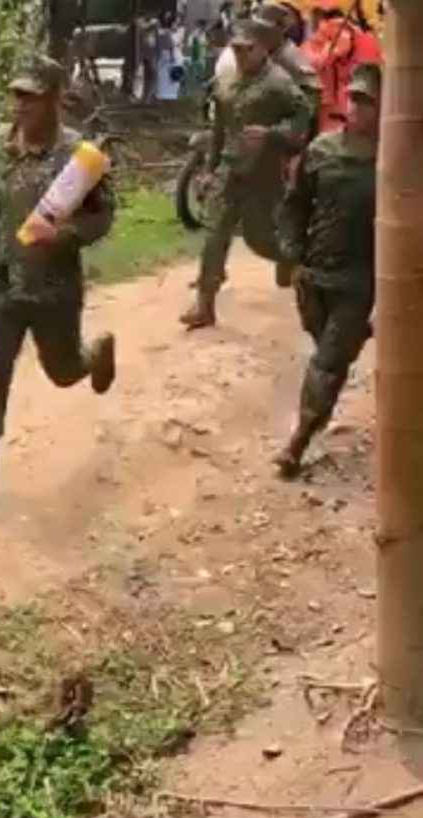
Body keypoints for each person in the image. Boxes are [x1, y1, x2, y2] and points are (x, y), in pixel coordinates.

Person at [0, 55, 116, 501]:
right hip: (4, 279)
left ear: (54, 99)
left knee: (63, 371)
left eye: (30, 96)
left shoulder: (78, 158)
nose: (20, 104)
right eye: (16, 95)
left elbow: (102, 217)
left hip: (54, 286)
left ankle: (96, 355)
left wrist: (63, 235)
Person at [275, 63, 380, 478]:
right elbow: (294, 206)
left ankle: (297, 442)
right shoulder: (321, 151)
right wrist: (293, 256)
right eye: (353, 98)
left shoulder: (394, 161)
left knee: (327, 362)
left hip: (359, 282)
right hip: (315, 275)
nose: (356, 107)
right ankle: (352, 340)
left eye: (366, 101)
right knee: (325, 344)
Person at [181, 19, 310, 330]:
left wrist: (272, 134)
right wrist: (209, 170)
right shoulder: (225, 81)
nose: (240, 56)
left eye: (246, 50)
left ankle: (300, 265)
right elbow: (218, 130)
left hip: (264, 174)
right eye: (236, 49)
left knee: (260, 240)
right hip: (230, 169)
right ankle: (204, 304)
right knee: (215, 234)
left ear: (262, 49)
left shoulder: (279, 83)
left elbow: (303, 118)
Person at [302, 1, 381, 133]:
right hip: (364, 99)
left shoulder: (333, 30)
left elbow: (313, 61)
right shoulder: (367, 37)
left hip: (336, 103)